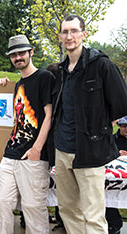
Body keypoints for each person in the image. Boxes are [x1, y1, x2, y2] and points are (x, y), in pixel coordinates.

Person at [53, 15, 127, 234]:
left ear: (84, 34)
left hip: (90, 151)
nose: (69, 36)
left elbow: (121, 103)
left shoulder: (101, 65)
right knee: (68, 209)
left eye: (74, 31)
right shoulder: (61, 71)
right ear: (60, 37)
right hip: (62, 149)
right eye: (65, 32)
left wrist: (100, 124)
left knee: (93, 215)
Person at [0, 34, 54, 234]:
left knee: (33, 209)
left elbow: (49, 115)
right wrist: (3, 85)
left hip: (33, 156)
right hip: (10, 154)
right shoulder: (18, 84)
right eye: (13, 55)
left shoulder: (45, 77)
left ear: (31, 52)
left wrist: (36, 149)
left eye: (21, 53)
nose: (18, 57)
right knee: (1, 203)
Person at [106, 116, 127, 234]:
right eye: (124, 126)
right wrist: (116, 153)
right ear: (119, 126)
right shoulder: (112, 139)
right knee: (109, 196)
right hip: (116, 176)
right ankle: (114, 224)